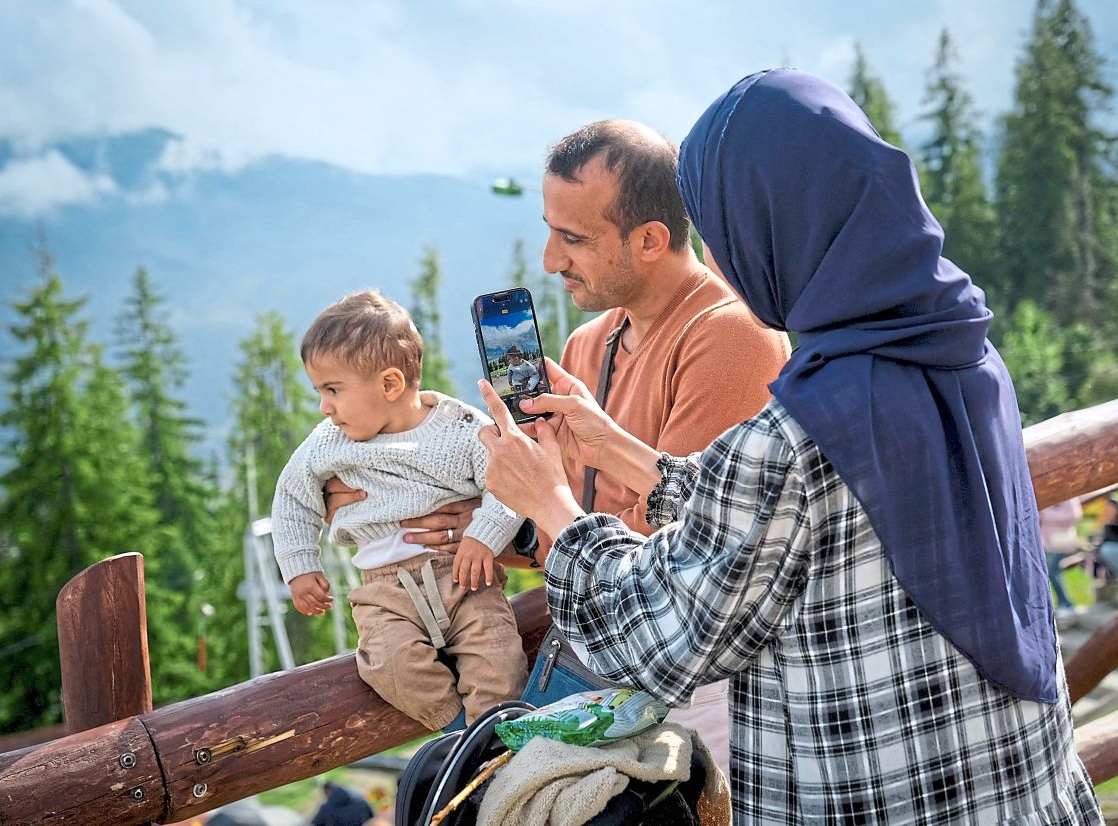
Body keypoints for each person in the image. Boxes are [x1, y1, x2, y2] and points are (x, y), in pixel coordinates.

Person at [477, 70, 1102, 823]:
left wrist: (548, 503)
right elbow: (804, 519)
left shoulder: (795, 434)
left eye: (725, 227)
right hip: (1019, 785)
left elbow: (659, 638)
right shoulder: (960, 355)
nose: (723, 257)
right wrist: (625, 454)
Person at [327, 119, 791, 770]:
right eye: (549, 230)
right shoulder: (586, 345)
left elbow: (686, 556)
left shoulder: (732, 340)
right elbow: (568, 533)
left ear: (652, 240)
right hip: (587, 684)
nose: (551, 260)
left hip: (681, 713)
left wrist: (540, 503)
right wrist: (488, 526)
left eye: (572, 238)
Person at [271, 290, 526, 731]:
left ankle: (493, 737)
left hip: (465, 578)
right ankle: (456, 733)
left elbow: (511, 484)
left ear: (390, 385)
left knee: (499, 659)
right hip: (385, 590)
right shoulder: (328, 443)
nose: (324, 407)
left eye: (333, 390)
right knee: (388, 664)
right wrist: (299, 565)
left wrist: (484, 534)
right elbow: (292, 498)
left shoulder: (462, 432)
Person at [1040, 499, 1083, 619]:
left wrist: (1048, 515)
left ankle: (1067, 604)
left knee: (1053, 571)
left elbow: (1075, 516)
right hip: (1047, 543)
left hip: (1063, 542)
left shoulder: (1069, 499)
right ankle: (1062, 603)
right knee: (1050, 573)